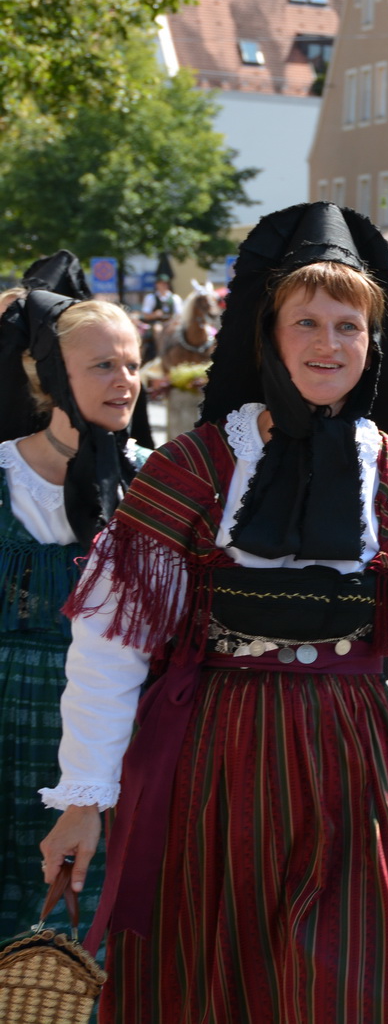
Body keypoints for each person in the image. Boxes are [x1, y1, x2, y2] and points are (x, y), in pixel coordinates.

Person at [38, 203, 388, 1023]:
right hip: (213, 758)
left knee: (361, 985)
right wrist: (84, 794)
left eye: (348, 325)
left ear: (374, 342)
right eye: (306, 321)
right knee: (209, 977)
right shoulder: (192, 471)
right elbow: (110, 645)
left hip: (353, 757)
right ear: (269, 332)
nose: (328, 344)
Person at [0, 251, 145, 935]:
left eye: (132, 364)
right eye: (103, 366)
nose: (125, 381)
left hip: (117, 735)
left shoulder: (156, 483)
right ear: (54, 376)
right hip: (6, 730)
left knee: (96, 932)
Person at [135, 275, 181, 364]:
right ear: (157, 285)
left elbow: (179, 314)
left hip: (171, 322)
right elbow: (145, 315)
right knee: (158, 329)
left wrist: (174, 320)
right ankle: (161, 354)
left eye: (165, 284)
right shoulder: (151, 298)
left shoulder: (174, 298)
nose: (164, 286)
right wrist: (155, 314)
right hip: (157, 322)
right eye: (162, 284)